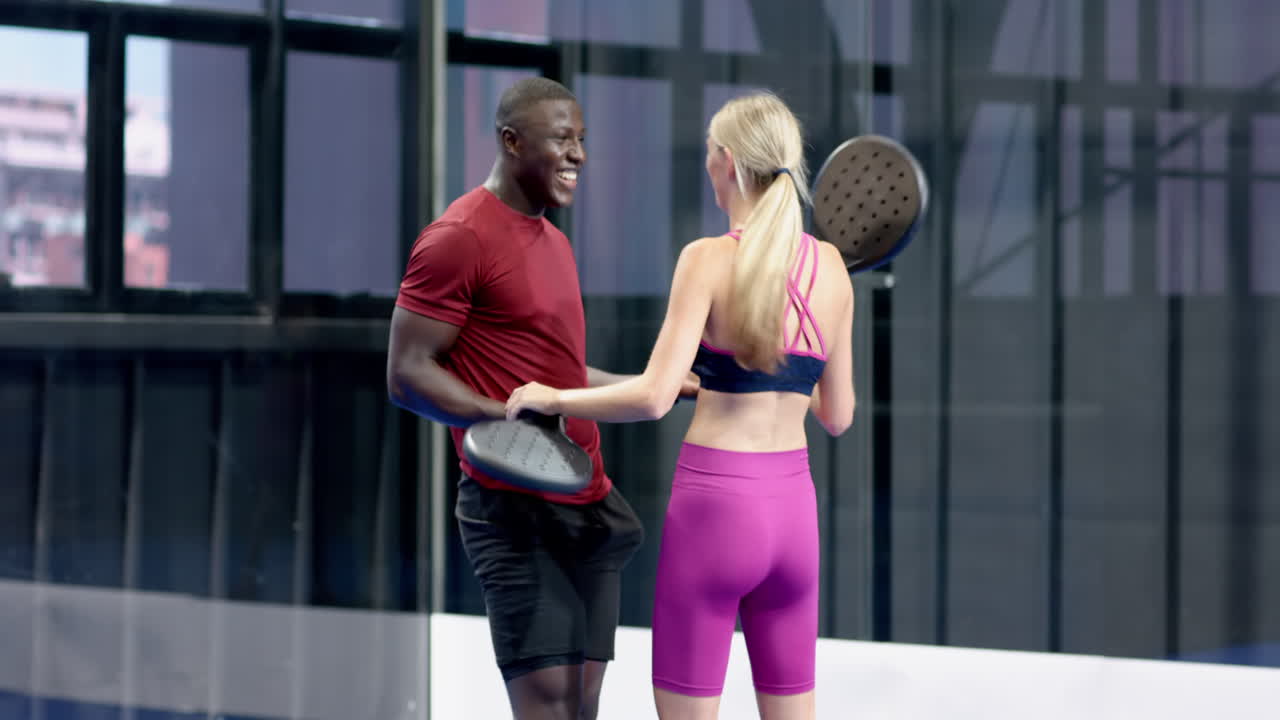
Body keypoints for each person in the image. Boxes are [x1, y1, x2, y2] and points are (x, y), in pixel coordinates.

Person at [505, 91, 856, 720]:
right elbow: (837, 414)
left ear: (725, 160)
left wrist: (552, 394)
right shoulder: (831, 266)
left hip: (717, 514)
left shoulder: (707, 258)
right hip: (795, 520)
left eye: (707, 155)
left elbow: (652, 395)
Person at [386, 77, 679, 720]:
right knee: (548, 709)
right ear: (511, 141)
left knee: (582, 707)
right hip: (515, 511)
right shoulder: (458, 236)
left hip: (590, 504)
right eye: (562, 139)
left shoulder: (556, 243)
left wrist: (658, 386)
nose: (578, 155)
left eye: (583, 141)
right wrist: (508, 411)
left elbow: (561, 377)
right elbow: (407, 375)